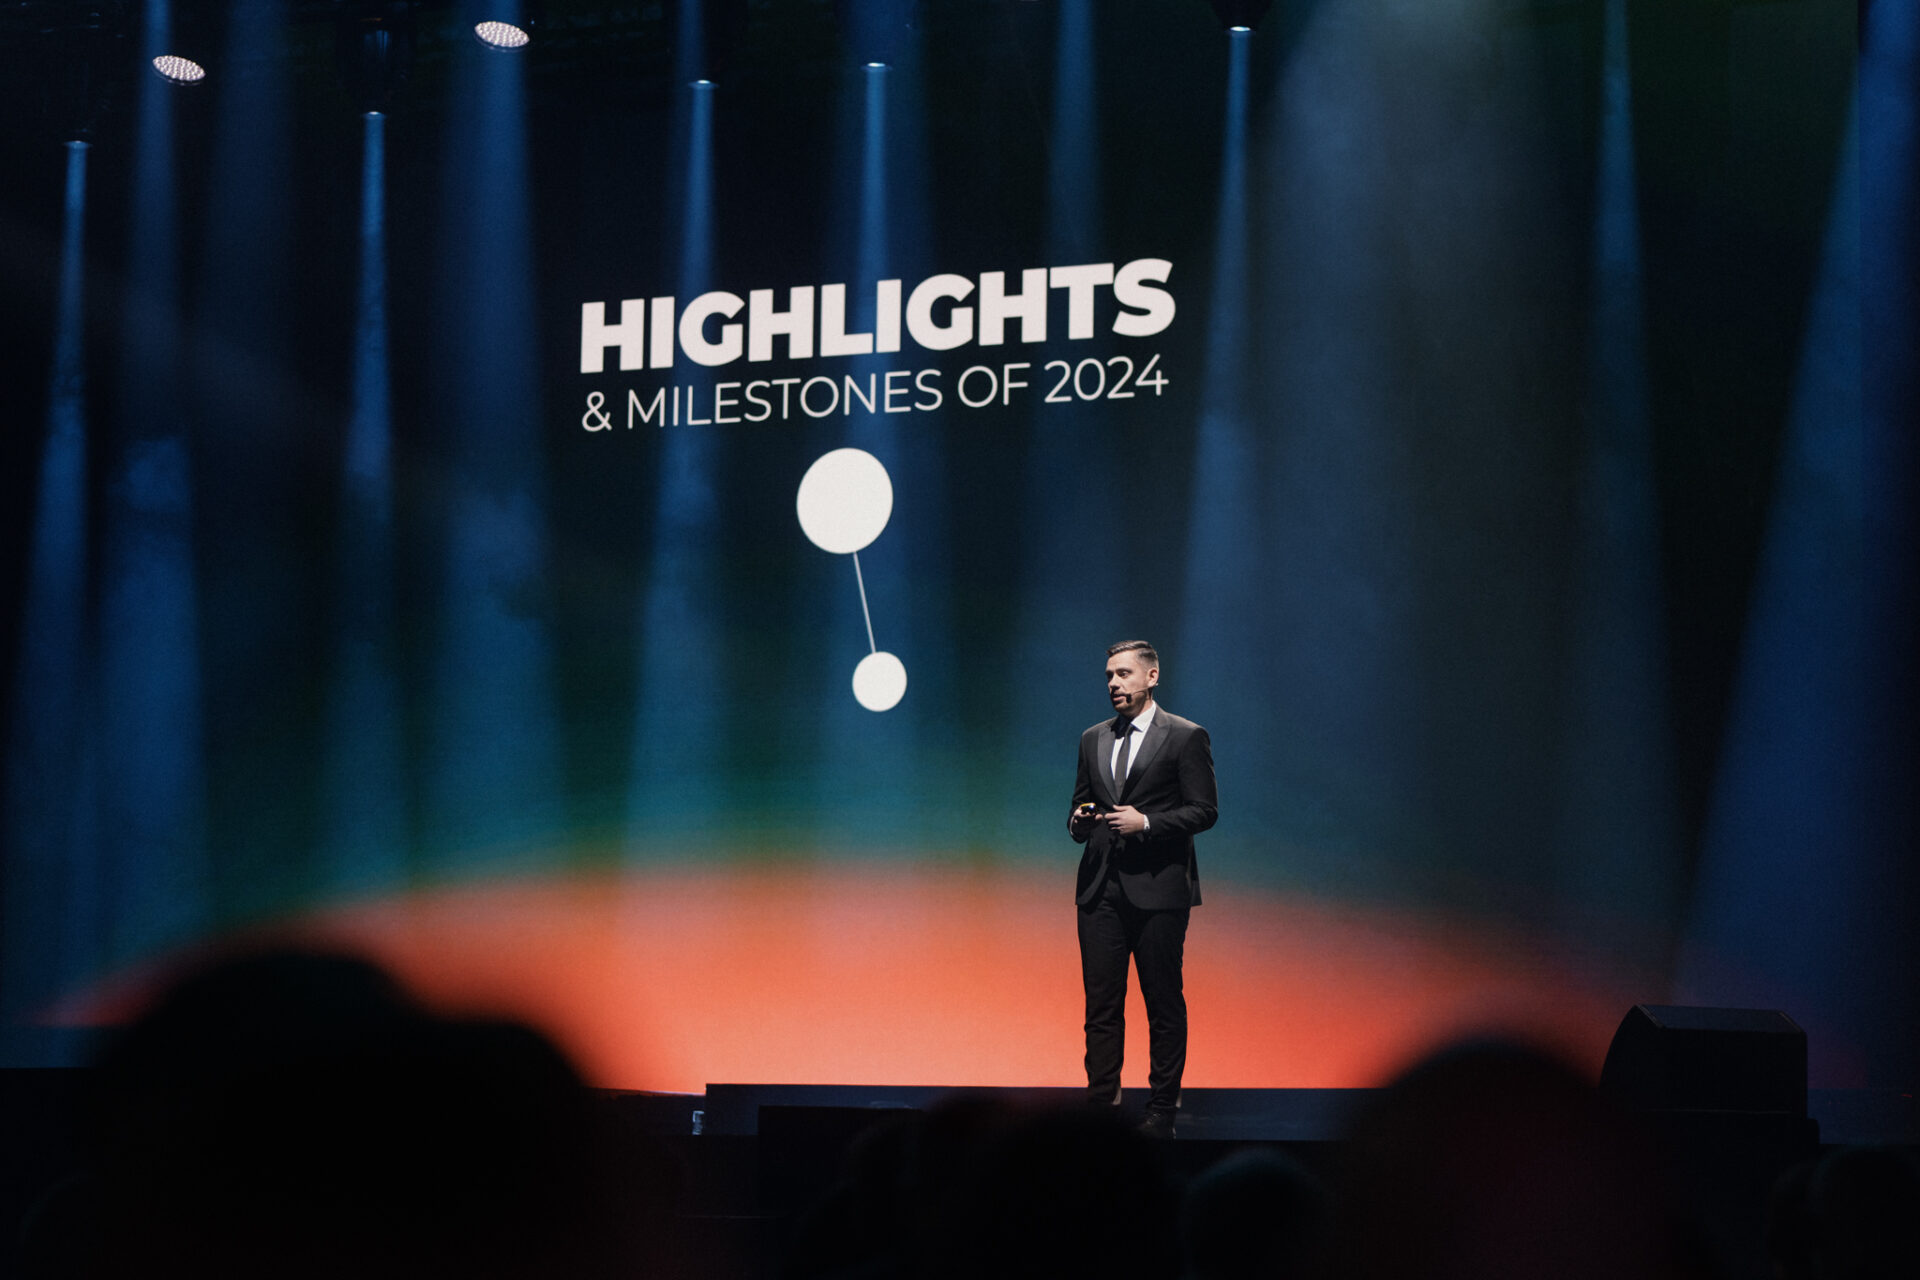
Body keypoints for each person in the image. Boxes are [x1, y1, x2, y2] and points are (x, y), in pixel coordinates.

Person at [1069, 640, 1217, 1138]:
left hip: (1159, 890)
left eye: (1124, 674)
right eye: (1109, 675)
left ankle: (1161, 1112)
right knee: (1102, 1007)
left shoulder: (1186, 736)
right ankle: (1101, 1112)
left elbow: (1205, 810)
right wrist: (1079, 820)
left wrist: (1147, 822)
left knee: (1163, 1003)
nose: (1114, 683)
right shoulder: (1093, 738)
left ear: (1152, 677)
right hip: (1099, 890)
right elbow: (1079, 806)